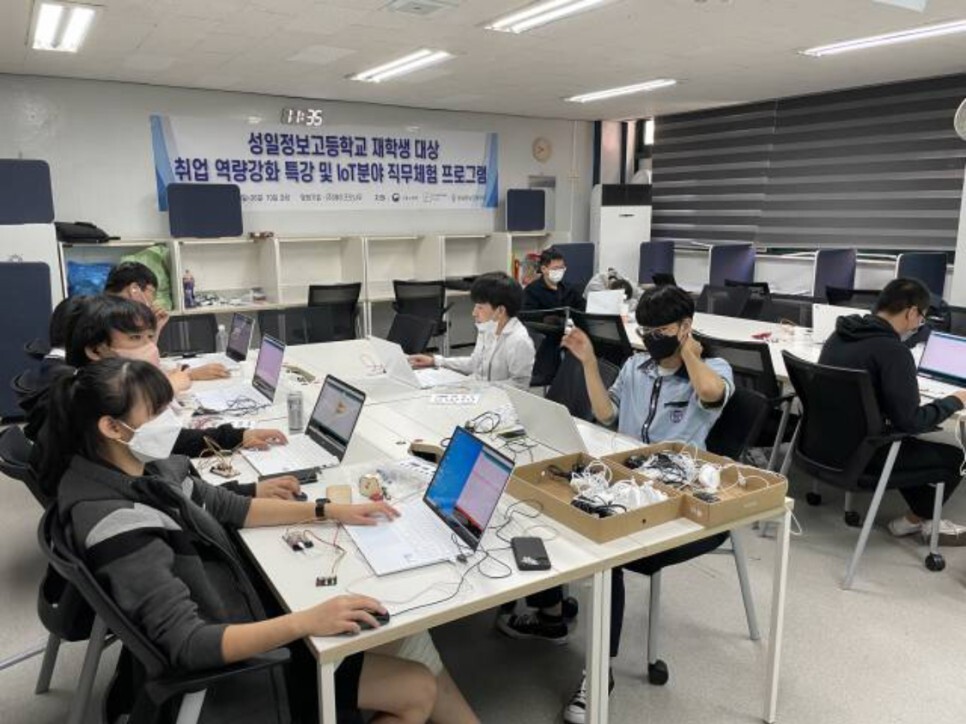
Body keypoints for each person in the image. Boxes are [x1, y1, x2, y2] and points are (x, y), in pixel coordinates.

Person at [46, 358, 439, 723]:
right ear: (112, 427)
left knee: (399, 635)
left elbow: (226, 505)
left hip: (235, 610)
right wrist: (306, 620)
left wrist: (329, 510)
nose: (171, 419)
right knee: (419, 686)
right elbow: (188, 644)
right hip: (238, 676)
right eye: (158, 411)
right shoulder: (115, 521)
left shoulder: (140, 468)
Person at [497, 285, 734, 724]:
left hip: (677, 500)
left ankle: (598, 673)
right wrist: (589, 363)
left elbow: (710, 393)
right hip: (623, 480)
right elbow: (607, 415)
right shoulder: (635, 367)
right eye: (645, 331)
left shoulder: (713, 369)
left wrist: (688, 352)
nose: (651, 339)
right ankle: (551, 614)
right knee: (542, 502)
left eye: (661, 331)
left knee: (607, 556)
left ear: (685, 327)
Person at [28, 295, 295, 503]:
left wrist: (235, 437)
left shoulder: (89, 394)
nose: (150, 347)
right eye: (135, 338)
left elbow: (165, 444)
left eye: (149, 336)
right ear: (96, 350)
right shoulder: (96, 418)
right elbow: (163, 498)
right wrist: (243, 493)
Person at [819, 277, 966, 544]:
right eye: (922, 317)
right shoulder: (893, 352)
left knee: (909, 444)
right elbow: (911, 422)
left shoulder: (840, 334)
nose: (920, 324)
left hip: (824, 445)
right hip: (863, 456)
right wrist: (955, 400)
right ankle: (916, 519)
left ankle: (917, 518)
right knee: (955, 456)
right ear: (911, 312)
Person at [105, 261, 229, 384]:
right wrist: (187, 376)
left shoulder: (111, 311)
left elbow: (145, 363)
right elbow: (136, 380)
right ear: (134, 289)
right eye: (152, 292)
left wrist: (155, 328)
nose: (153, 301)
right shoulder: (110, 319)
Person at [409, 272, 535, 390]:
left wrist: (481, 387)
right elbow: (474, 363)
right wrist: (435, 361)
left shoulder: (518, 340)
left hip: (496, 399)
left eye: (480, 307)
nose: (474, 313)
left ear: (500, 311)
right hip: (477, 391)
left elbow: (520, 385)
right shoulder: (488, 328)